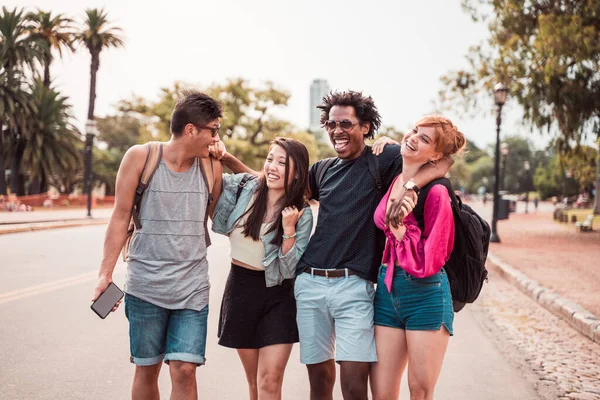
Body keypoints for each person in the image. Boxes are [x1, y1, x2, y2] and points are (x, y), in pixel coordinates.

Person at [215, 90, 451, 400]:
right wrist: (227, 158)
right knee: (320, 381)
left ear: (365, 127)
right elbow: (271, 184)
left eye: (346, 123)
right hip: (310, 283)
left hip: (355, 286)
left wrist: (406, 171)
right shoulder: (323, 169)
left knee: (353, 384)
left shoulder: (383, 160)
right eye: (331, 123)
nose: (337, 130)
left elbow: (442, 161)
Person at [92, 91, 223, 400]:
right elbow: (120, 216)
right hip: (145, 287)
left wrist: (226, 158)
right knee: (147, 368)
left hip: (192, 291)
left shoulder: (211, 168)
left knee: (184, 369)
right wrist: (104, 274)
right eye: (213, 130)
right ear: (191, 129)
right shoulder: (141, 157)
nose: (216, 138)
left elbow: (223, 217)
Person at [370, 116, 466, 400]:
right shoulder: (397, 180)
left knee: (420, 391)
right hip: (386, 290)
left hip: (426, 294)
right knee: (382, 392)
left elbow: (431, 259)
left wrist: (401, 232)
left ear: (436, 155)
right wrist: (385, 143)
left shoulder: (436, 192)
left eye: (424, 139)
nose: (412, 138)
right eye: (414, 131)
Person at [211, 137, 313, 400]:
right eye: (270, 159)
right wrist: (222, 154)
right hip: (241, 290)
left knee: (269, 381)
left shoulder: (300, 212)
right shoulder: (245, 189)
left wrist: (288, 230)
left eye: (282, 162)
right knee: (254, 384)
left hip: (278, 295)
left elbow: (290, 269)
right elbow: (216, 178)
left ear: (298, 173)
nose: (273, 167)